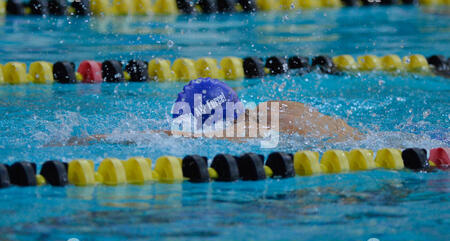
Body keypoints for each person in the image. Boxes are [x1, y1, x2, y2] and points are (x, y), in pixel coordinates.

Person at [65, 78, 360, 146]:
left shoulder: (236, 132)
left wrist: (95, 138)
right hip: (368, 140)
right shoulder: (276, 106)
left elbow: (171, 135)